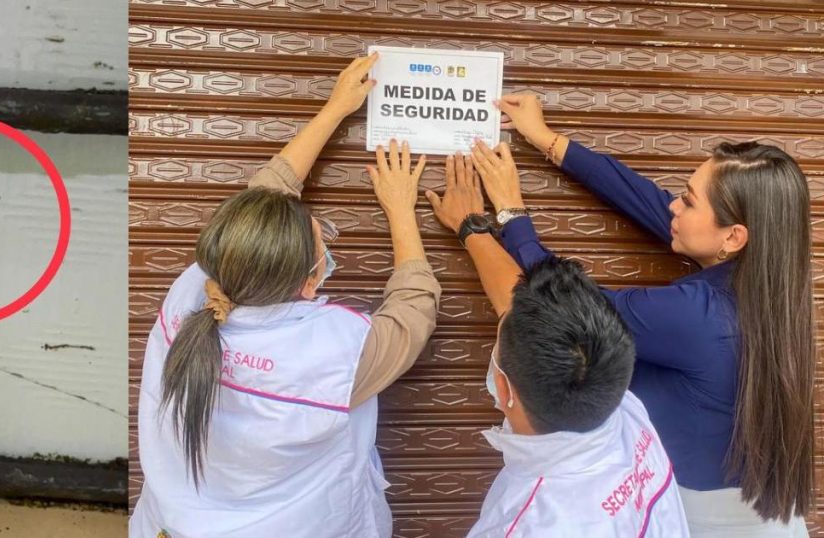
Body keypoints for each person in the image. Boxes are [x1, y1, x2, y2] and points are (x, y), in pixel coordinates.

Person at [472, 93, 814, 536]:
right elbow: (649, 202)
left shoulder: (698, 316)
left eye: (689, 202)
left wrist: (510, 211)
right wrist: (548, 141)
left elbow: (564, 303)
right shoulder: (772, 282)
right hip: (769, 518)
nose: (674, 205)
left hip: (704, 522)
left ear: (733, 236)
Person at [129, 54, 441, 538]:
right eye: (324, 244)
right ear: (309, 284)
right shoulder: (336, 355)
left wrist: (335, 108)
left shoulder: (193, 291)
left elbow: (262, 201)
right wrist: (401, 209)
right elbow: (413, 310)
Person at [426, 154, 688, 536]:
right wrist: (474, 230)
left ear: (504, 390)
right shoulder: (621, 412)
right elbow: (520, 307)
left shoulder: (526, 525)